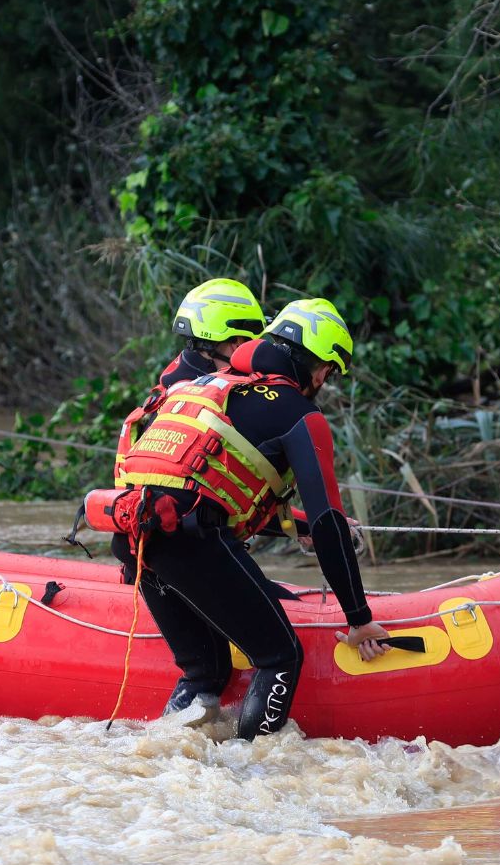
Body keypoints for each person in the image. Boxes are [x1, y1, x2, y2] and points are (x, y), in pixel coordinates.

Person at [109, 298, 389, 738]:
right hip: (189, 542)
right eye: (328, 369)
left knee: (207, 669)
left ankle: (164, 760)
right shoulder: (298, 411)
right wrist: (358, 617)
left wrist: (292, 525)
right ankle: (250, 771)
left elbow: (204, 482)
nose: (324, 380)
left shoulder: (205, 384)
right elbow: (328, 522)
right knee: (279, 656)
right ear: (312, 360)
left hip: (133, 536)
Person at [109, 279, 267, 586]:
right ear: (233, 344)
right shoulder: (205, 406)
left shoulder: (171, 394)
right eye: (248, 343)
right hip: (179, 555)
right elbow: (210, 498)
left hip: (147, 550)